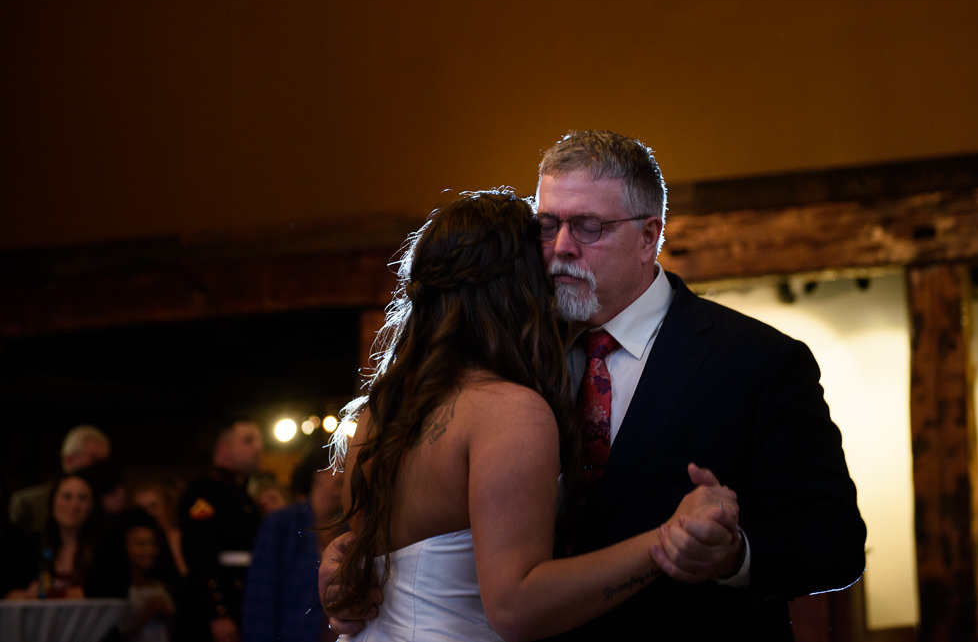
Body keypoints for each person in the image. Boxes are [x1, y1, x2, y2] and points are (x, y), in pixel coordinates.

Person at [324, 131, 866, 641]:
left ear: (648, 236)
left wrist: (734, 554)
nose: (561, 246)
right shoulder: (517, 358)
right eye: (546, 225)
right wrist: (360, 561)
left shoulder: (755, 361)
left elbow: (836, 544)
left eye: (588, 227)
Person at [322, 189, 739, 642]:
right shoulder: (508, 411)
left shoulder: (376, 412)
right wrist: (668, 538)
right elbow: (515, 607)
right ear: (522, 288)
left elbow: (368, 558)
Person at [242, 443, 344, 642]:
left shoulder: (350, 529)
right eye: (341, 466)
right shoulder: (281, 524)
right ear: (319, 472)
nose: (346, 475)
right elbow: (260, 599)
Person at [177, 419, 263, 642]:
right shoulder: (206, 492)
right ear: (224, 447)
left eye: (258, 441)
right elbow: (199, 555)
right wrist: (217, 612)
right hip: (222, 602)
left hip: (246, 600)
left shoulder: (243, 493)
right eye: (248, 440)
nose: (258, 448)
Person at [88, 508, 181, 642]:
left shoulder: (161, 584)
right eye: (141, 545)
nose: (149, 550)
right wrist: (147, 614)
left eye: (153, 544)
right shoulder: (116, 590)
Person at [9, 424, 110, 535]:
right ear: (69, 460)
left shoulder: (106, 501)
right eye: (94, 461)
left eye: (104, 463)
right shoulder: (29, 504)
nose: (101, 470)